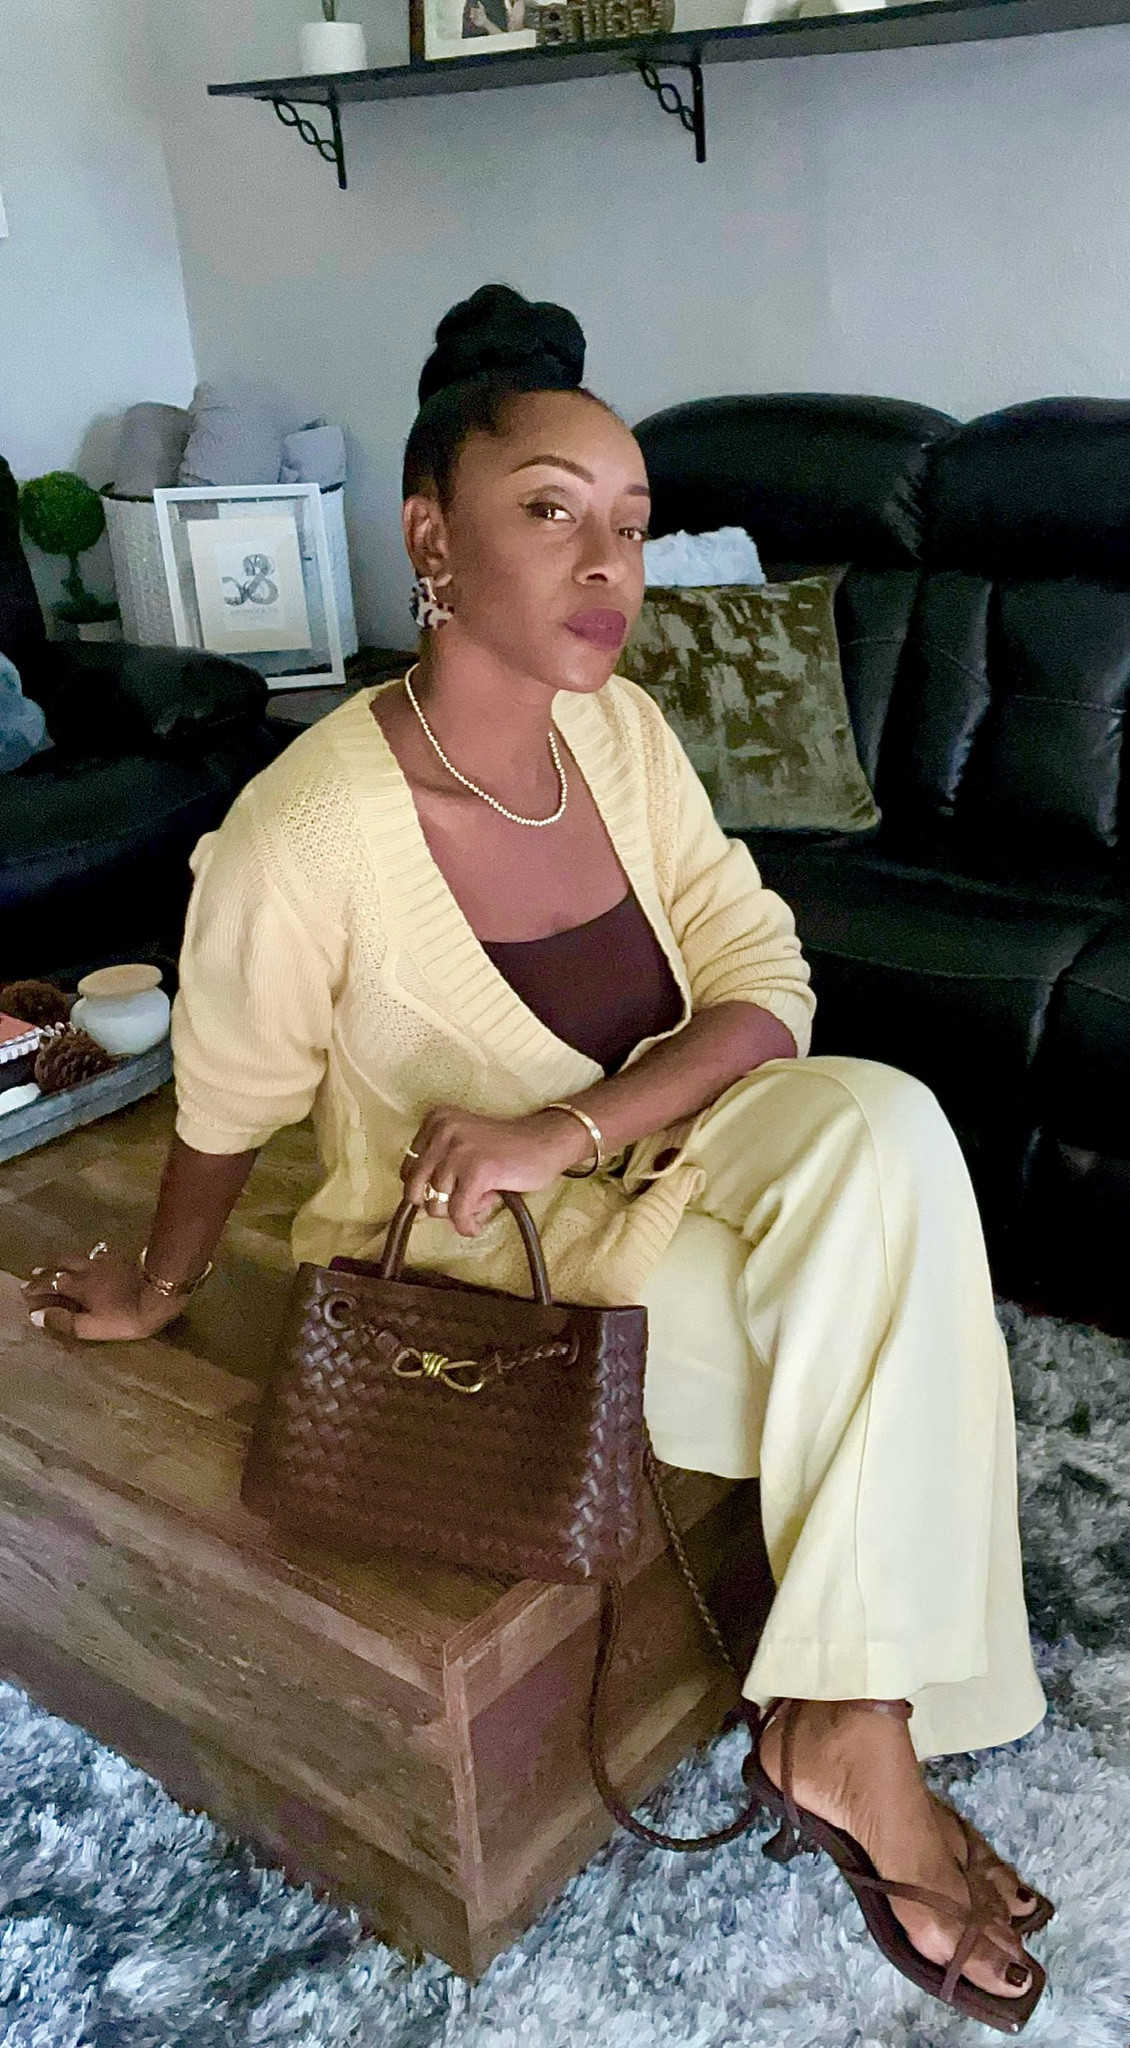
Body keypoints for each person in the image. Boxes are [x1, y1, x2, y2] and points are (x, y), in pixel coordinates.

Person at [25, 285, 1052, 2031]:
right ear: (430, 536)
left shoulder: (622, 735)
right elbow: (226, 1098)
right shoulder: (307, 831)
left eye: (631, 525)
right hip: (497, 1269)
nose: (607, 566)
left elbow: (765, 981)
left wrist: (569, 1123)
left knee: (888, 1124)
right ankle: (851, 1733)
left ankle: (843, 1728)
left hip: (669, 1162)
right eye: (550, 512)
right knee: (892, 1306)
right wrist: (163, 1282)